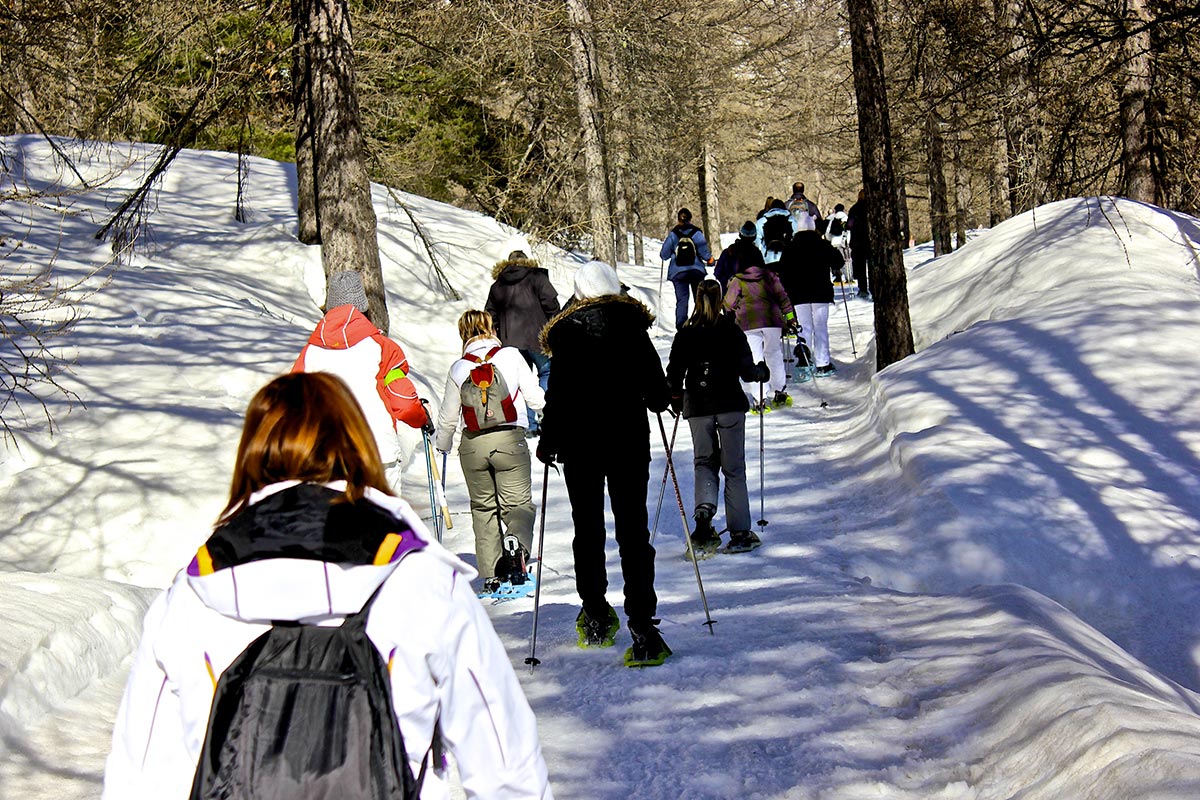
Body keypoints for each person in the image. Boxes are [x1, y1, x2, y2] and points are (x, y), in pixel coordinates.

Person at [103, 372, 554, 800]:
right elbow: (504, 759)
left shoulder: (192, 597)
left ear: (251, 457)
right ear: (357, 448)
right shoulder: (421, 581)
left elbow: (140, 776)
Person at [535, 260, 672, 666]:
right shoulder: (632, 327)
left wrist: (549, 440)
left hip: (581, 445)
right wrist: (659, 398)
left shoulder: (566, 335)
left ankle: (595, 611)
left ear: (579, 294)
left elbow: (556, 395)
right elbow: (657, 391)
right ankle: (642, 624)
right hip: (628, 441)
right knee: (633, 530)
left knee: (588, 528)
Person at [436, 310, 545, 593]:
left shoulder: (459, 368)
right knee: (518, 505)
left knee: (483, 509)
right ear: (491, 328)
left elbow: (448, 417)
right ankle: (516, 548)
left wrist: (443, 445)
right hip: (509, 441)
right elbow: (535, 398)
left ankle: (491, 575)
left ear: (463, 335)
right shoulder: (510, 356)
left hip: (473, 446)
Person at [292, 270, 427, 489]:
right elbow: (403, 401)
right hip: (378, 451)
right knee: (384, 521)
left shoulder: (310, 353)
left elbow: (292, 405)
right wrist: (421, 418)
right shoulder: (382, 348)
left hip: (329, 457)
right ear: (363, 307)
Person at [666, 280, 769, 556]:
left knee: (704, 463)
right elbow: (748, 372)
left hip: (698, 407)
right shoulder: (730, 330)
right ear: (721, 298)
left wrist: (676, 396)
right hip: (729, 405)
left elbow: (674, 374)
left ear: (696, 298)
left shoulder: (686, 333)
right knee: (734, 469)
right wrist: (761, 372)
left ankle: (703, 523)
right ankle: (739, 532)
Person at [484, 248, 561, 437]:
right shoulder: (537, 278)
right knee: (547, 373)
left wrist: (498, 335)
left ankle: (529, 425)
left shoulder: (498, 285)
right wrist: (554, 326)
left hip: (510, 342)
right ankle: (546, 416)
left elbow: (489, 314)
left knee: (520, 381)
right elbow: (551, 304)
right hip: (539, 339)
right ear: (527, 262)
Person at [724, 250, 797, 411]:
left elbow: (728, 304)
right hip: (772, 321)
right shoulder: (770, 276)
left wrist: (737, 307)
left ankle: (760, 398)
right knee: (774, 354)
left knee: (754, 359)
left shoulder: (738, 280)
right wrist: (791, 318)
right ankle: (780, 391)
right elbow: (783, 298)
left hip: (748, 324)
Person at [776, 214, 842, 377]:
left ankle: (804, 359)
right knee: (820, 326)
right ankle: (822, 363)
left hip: (798, 294)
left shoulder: (790, 247)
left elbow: (783, 271)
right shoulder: (822, 245)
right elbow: (838, 262)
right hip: (820, 292)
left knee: (803, 326)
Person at [658, 207, 713, 329]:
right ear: (690, 218)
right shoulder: (696, 233)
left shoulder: (673, 234)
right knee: (699, 298)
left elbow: (664, 255)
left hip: (678, 273)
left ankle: (681, 327)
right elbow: (704, 252)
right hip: (696, 271)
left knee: (682, 300)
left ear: (678, 219)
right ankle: (702, 324)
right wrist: (710, 260)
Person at [713, 220, 766, 294]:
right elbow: (762, 274)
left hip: (730, 295)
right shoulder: (756, 254)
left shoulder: (728, 252)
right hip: (751, 296)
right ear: (754, 236)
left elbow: (717, 272)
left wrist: (727, 281)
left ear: (740, 234)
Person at [847, 189, 872, 299]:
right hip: (870, 241)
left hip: (857, 241)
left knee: (860, 266)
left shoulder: (854, 209)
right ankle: (874, 287)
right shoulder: (873, 207)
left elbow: (849, 224)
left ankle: (862, 289)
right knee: (872, 266)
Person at [754, 198, 794, 266]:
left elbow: (757, 241)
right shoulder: (791, 220)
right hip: (787, 258)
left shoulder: (762, 221)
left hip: (768, 258)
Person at [825, 202, 852, 282]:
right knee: (847, 259)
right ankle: (849, 277)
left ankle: (837, 276)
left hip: (834, 241)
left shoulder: (832, 218)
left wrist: (829, 239)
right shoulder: (845, 218)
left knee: (835, 260)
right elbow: (847, 230)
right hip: (844, 242)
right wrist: (847, 240)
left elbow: (828, 231)